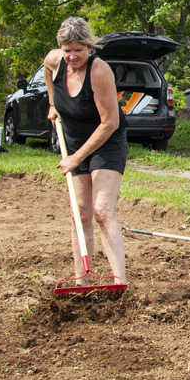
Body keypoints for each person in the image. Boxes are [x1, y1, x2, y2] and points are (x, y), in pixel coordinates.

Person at [43, 17, 127, 286]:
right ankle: (82, 281)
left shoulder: (99, 71)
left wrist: (76, 158)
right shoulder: (55, 61)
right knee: (81, 213)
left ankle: (119, 283)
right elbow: (47, 68)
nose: (72, 56)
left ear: (89, 47)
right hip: (74, 141)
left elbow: (110, 123)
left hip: (107, 140)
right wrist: (52, 103)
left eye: (78, 50)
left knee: (101, 210)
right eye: (67, 50)